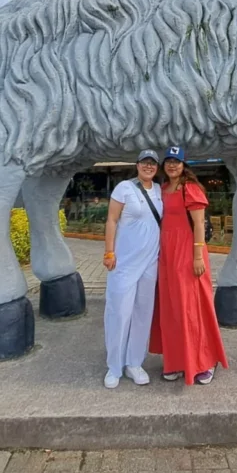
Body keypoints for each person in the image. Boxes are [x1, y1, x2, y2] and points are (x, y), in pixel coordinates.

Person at [150, 145, 229, 385]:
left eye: (177, 161)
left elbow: (198, 225)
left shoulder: (191, 189)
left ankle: (205, 360)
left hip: (188, 253)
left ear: (185, 165)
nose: (172, 165)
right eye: (169, 161)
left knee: (193, 306)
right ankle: (176, 360)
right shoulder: (162, 189)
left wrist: (196, 257)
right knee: (171, 307)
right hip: (167, 256)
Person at [102, 149, 163, 389]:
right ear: (137, 165)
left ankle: (134, 363)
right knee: (119, 313)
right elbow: (112, 220)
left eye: (152, 163)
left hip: (150, 262)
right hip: (124, 263)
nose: (148, 167)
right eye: (144, 163)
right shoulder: (124, 188)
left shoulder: (159, 191)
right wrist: (109, 251)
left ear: (156, 168)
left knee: (142, 313)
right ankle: (114, 366)